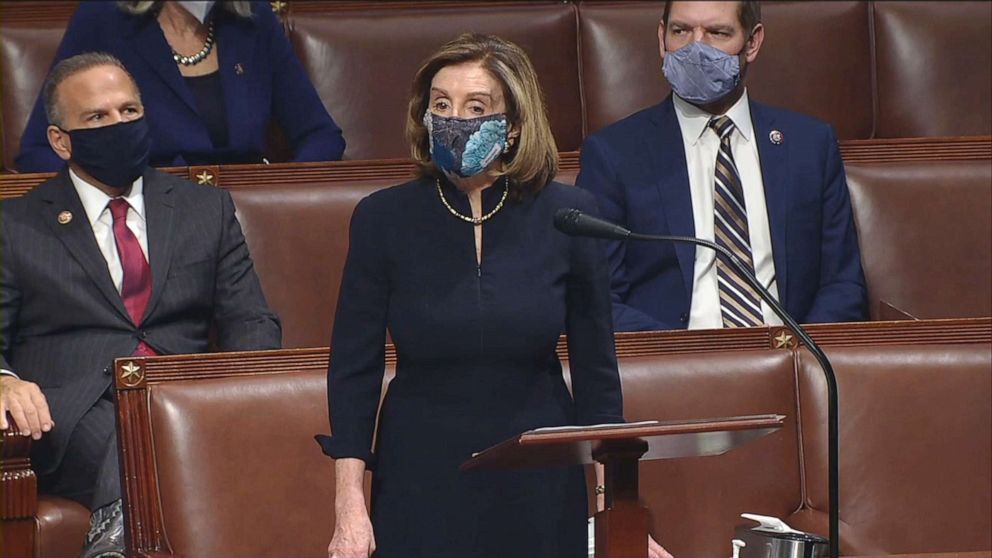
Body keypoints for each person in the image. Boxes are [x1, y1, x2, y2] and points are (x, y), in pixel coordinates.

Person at [315, 34, 669, 558]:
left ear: (513, 127)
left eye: (475, 107)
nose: (453, 120)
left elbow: (598, 377)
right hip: (420, 468)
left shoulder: (568, 216)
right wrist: (349, 503)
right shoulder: (382, 219)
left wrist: (612, 511)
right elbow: (354, 370)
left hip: (540, 469)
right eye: (441, 105)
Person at [0, 52, 281, 558]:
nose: (118, 125)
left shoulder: (203, 208)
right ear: (60, 140)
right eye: (97, 117)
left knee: (166, 426)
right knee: (135, 434)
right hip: (72, 411)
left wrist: (247, 394)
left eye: (129, 112)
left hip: (185, 400)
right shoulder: (15, 224)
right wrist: (3, 378)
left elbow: (249, 319)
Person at [575, 1, 867, 332]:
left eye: (717, 33)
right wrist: (691, 362)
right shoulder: (615, 154)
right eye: (681, 31)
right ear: (661, 37)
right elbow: (596, 300)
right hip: (673, 366)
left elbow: (842, 286)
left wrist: (798, 362)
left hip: (790, 358)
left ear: (752, 42)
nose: (696, 47)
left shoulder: (809, 146)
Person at [16, 0, 345, 172]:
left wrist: (278, 190)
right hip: (145, 216)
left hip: (245, 215)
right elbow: (38, 152)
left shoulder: (253, 18)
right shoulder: (104, 17)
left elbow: (321, 135)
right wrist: (111, 193)